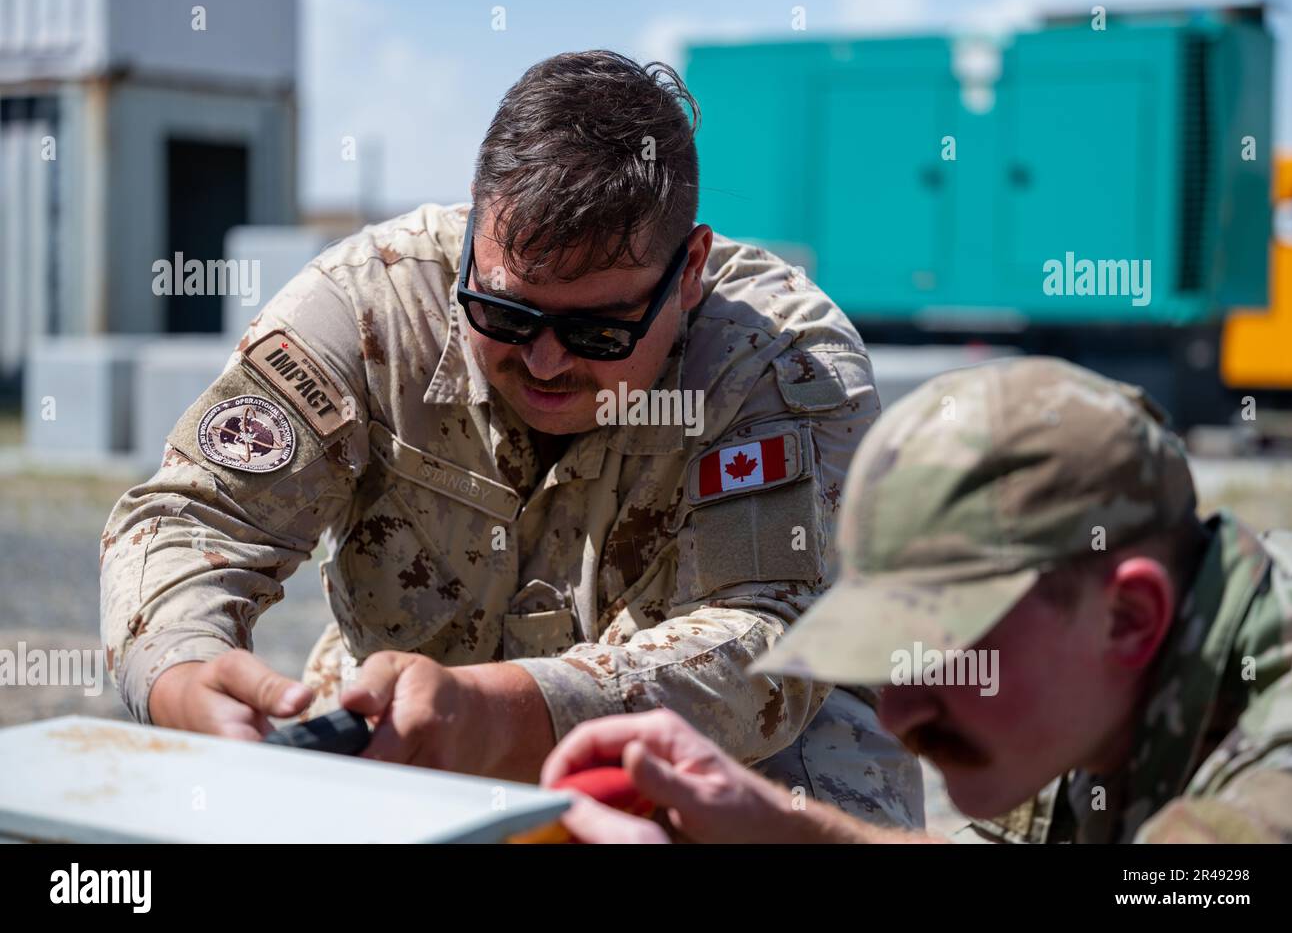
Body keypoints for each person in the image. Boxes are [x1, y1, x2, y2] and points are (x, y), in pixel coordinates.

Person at [98, 50, 922, 825]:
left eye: (599, 328)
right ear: (470, 241)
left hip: (741, 760)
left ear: (692, 270)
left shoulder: (781, 360)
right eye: (506, 312)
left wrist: (508, 712)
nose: (545, 361)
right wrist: (179, 671)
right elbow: (193, 519)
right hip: (415, 739)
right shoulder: (370, 305)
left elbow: (769, 635)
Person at [541, 356, 1292, 843]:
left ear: (1130, 617)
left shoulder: (1276, 778)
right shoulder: (1098, 693)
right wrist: (775, 825)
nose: (900, 718)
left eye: (945, 651)